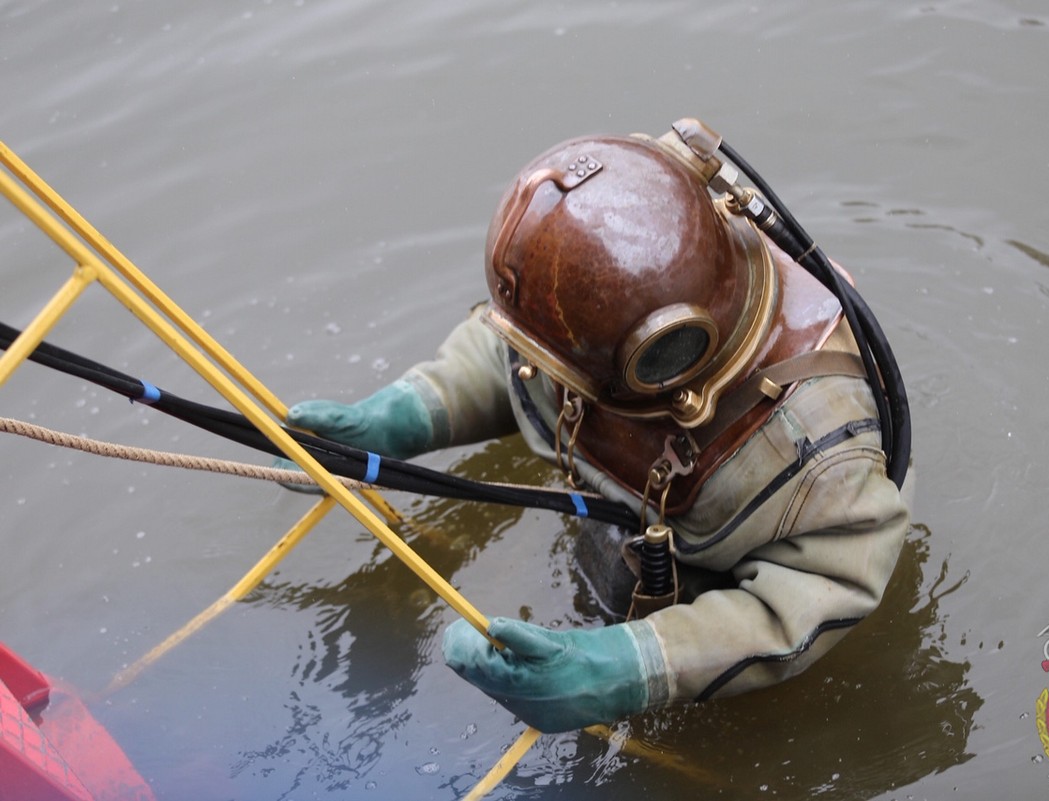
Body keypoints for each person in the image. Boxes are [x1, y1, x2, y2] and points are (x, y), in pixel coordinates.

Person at [285, 119, 912, 734]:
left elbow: (826, 585)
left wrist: (626, 669)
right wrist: (411, 414)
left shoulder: (818, 439)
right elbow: (524, 355)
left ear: (667, 359)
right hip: (630, 540)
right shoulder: (596, 324)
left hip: (721, 612)